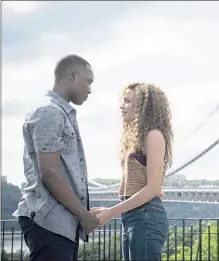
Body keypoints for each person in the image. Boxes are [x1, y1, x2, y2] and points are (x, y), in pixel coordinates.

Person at [13, 54, 100, 261]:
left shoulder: (60, 113)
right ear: (72, 76)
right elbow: (50, 174)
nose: (90, 89)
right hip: (49, 221)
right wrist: (84, 214)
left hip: (62, 223)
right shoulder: (49, 112)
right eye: (88, 81)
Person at [90, 82, 173, 260]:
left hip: (146, 216)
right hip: (132, 216)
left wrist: (111, 212)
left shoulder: (153, 135)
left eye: (127, 101)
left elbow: (153, 188)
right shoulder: (134, 140)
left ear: (143, 106)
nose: (122, 106)